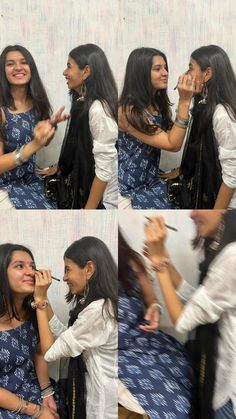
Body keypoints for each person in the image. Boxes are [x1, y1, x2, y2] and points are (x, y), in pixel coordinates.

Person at [144, 211, 236, 419]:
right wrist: (163, 259)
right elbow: (201, 301)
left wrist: (158, 262)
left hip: (229, 395)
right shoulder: (224, 245)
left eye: (203, 207)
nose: (192, 213)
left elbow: (184, 320)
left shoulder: (232, 255)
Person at [32, 236, 118, 419]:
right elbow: (68, 336)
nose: (63, 278)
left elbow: (49, 352)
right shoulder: (99, 305)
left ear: (89, 269)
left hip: (104, 402)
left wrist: (39, 300)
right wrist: (44, 298)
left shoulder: (98, 311)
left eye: (67, 270)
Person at [118, 230, 194, 419]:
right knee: (175, 403)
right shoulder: (91, 270)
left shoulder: (131, 260)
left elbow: (151, 298)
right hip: (115, 352)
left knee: (183, 371)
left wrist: (154, 308)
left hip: (144, 339)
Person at [118, 47, 201, 209]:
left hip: (151, 179)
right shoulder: (127, 111)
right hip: (129, 185)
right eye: (157, 69)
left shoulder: (156, 104)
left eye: (165, 68)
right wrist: (184, 101)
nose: (165, 73)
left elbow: (175, 134)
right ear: (140, 73)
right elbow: (173, 144)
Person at [38, 43, 118, 209]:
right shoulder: (81, 100)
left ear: (86, 72)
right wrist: (61, 167)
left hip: (101, 195)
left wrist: (88, 211)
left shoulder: (98, 109)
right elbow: (78, 144)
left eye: (69, 66)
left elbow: (104, 171)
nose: (64, 72)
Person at [165, 45, 236, 209]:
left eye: (190, 68)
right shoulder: (203, 103)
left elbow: (232, 177)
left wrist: (215, 215)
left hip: (224, 203)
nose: (185, 74)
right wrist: (183, 170)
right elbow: (196, 144)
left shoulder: (222, 113)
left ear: (207, 74)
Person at [0, 44, 69, 210]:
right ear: (3, 71)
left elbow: (43, 142)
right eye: (10, 64)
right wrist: (34, 145)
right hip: (7, 183)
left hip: (32, 177)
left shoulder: (37, 103)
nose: (18, 68)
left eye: (23, 62)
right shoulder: (2, 111)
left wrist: (50, 126)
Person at [0, 243, 58, 418]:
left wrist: (46, 393)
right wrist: (36, 411)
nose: (31, 272)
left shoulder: (35, 307)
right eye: (19, 266)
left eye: (33, 266)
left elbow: (42, 352)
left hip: (32, 388)